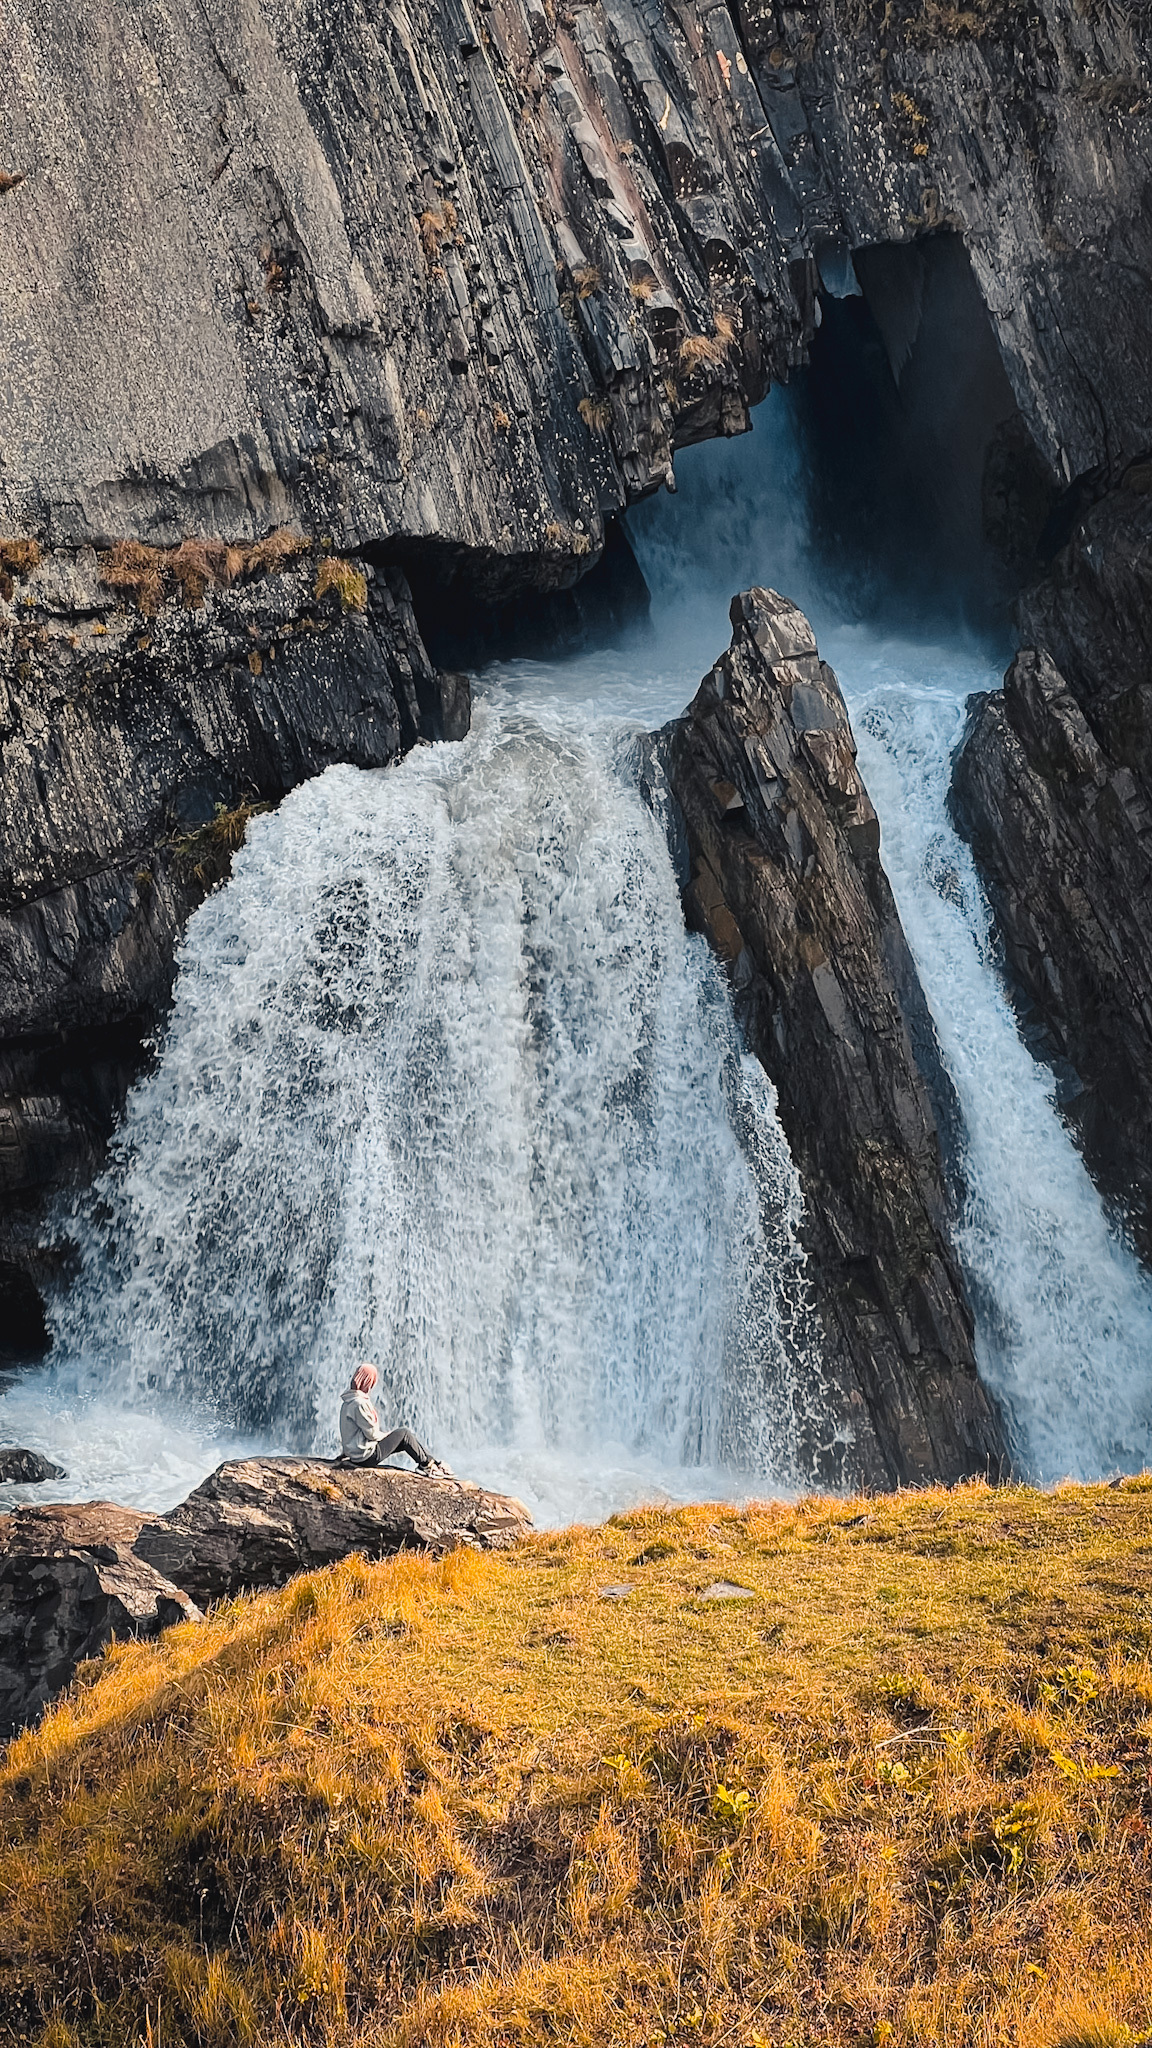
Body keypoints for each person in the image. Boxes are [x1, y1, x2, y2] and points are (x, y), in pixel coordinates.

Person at [337, 1364, 452, 1477]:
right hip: (365, 1456)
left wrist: (346, 1453)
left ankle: (430, 1462)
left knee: (405, 1441)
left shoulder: (348, 1401)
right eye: (372, 1381)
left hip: (356, 1455)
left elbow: (348, 1432)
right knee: (404, 1434)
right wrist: (389, 1435)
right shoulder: (359, 1403)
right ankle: (428, 1466)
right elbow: (372, 1435)